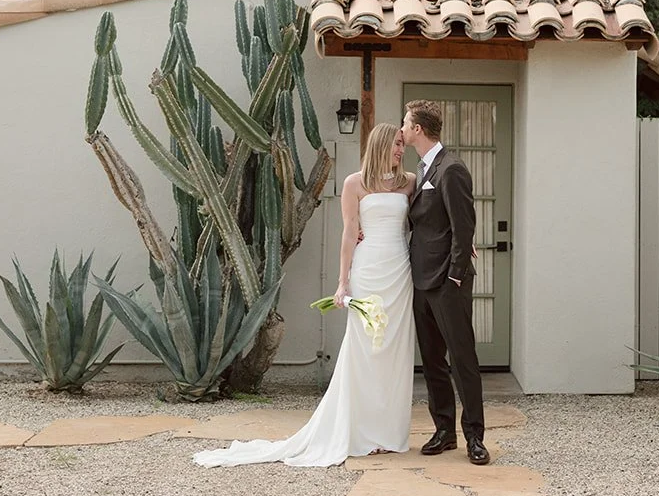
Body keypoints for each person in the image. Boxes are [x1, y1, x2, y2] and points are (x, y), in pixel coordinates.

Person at [193, 122, 415, 468]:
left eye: (403, 144)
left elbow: (428, 221)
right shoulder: (354, 183)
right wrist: (342, 282)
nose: (401, 150)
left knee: (395, 351)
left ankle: (389, 433)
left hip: (400, 271)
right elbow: (349, 233)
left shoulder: (410, 182)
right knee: (365, 350)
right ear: (380, 145)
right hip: (369, 270)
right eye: (396, 144)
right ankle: (361, 431)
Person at [402, 99, 488, 465]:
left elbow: (463, 227)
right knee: (432, 360)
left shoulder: (451, 168)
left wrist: (455, 275)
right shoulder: (421, 169)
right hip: (421, 280)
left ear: (418, 129)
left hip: (448, 282)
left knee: (462, 359)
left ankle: (475, 437)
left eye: (405, 123)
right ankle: (444, 431)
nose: (401, 130)